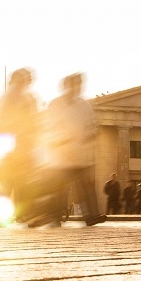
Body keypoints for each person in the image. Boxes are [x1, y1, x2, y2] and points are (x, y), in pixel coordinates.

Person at [42, 73, 106, 226]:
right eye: (74, 84)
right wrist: (60, 139)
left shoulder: (85, 106)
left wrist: (92, 134)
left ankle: (91, 216)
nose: (77, 87)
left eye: (79, 84)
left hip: (81, 156)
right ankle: (55, 216)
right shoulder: (55, 104)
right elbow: (49, 127)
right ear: (66, 86)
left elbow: (91, 125)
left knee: (86, 187)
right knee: (59, 189)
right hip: (61, 156)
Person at [0, 69, 42, 223]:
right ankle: (4, 216)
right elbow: (0, 120)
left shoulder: (29, 98)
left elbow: (34, 120)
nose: (25, 84)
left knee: (23, 181)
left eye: (27, 81)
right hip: (10, 145)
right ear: (15, 81)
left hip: (23, 145)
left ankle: (24, 214)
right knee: (8, 182)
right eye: (22, 80)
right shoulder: (7, 99)